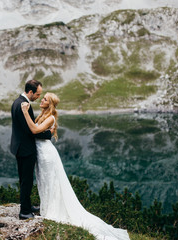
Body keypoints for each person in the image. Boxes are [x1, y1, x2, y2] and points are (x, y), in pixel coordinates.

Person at [21, 92, 130, 240]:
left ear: (50, 104)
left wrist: (25, 112)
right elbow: (35, 131)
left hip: (47, 155)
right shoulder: (42, 116)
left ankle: (52, 211)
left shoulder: (50, 118)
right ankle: (46, 207)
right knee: (43, 181)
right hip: (40, 154)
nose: (42, 100)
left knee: (50, 182)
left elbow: (34, 130)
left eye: (45, 99)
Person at [10, 79, 52, 220]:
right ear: (30, 92)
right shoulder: (24, 105)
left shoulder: (17, 101)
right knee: (26, 180)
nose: (38, 97)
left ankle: (27, 206)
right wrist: (48, 133)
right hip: (25, 149)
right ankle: (24, 212)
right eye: (37, 94)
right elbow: (30, 130)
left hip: (19, 147)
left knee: (25, 179)